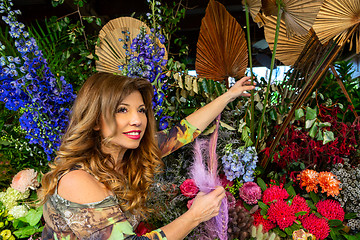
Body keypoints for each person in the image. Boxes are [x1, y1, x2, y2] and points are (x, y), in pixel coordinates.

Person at [38, 72, 255, 240]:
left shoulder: (132, 155)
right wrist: (195, 215)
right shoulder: (78, 180)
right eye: (122, 110)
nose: (137, 120)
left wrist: (229, 95)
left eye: (141, 110)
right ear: (95, 120)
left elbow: (184, 131)